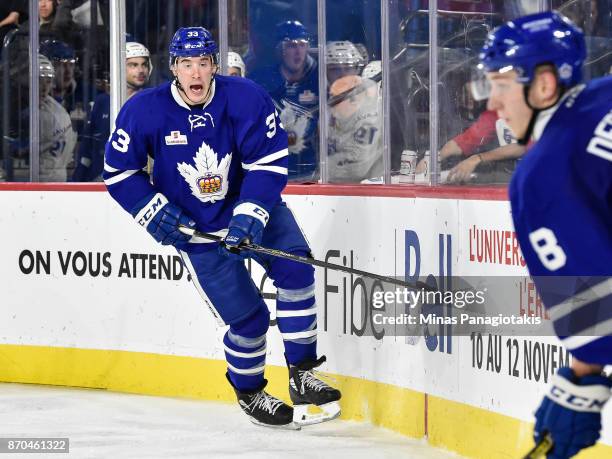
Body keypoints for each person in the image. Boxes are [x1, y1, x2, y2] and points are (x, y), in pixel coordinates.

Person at [103, 27, 341, 429]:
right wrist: (152, 210)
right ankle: (250, 392)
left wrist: (250, 214)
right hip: (197, 232)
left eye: (203, 63)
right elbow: (118, 170)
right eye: (186, 64)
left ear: (214, 65)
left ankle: (302, 373)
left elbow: (268, 162)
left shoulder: (246, 97)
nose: (196, 73)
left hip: (255, 210)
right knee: (248, 321)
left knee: (297, 270)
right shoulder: (145, 109)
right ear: (174, 68)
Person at [480, 11, 612, 458]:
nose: (492, 104)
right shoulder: (605, 92)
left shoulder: (542, 176)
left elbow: (598, 312)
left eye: (500, 86)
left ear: (543, 84)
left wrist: (579, 387)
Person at [249, 20, 319, 181]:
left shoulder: (317, 80)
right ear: (280, 50)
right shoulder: (261, 80)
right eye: (291, 45)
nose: (298, 51)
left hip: (308, 169)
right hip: (268, 167)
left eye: (302, 44)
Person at [72, 41, 151, 182]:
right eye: (133, 65)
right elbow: (87, 148)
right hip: (100, 181)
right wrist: (79, 179)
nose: (140, 70)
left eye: (144, 64)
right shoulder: (102, 102)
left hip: (138, 182)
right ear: (120, 67)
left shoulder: (154, 102)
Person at [415, 109, 525, 183]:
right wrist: (434, 158)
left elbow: (525, 146)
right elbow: (469, 139)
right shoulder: (497, 111)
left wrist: (477, 158)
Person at [327, 74, 382, 182]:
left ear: (353, 100)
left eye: (336, 101)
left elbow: (355, 169)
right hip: (343, 189)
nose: (331, 106)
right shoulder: (341, 118)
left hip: (367, 191)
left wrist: (323, 168)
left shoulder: (368, 123)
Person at [34, 53, 77, 181]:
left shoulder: (58, 110)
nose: (43, 87)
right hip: (28, 180)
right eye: (39, 80)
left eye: (47, 81)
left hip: (56, 181)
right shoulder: (16, 111)